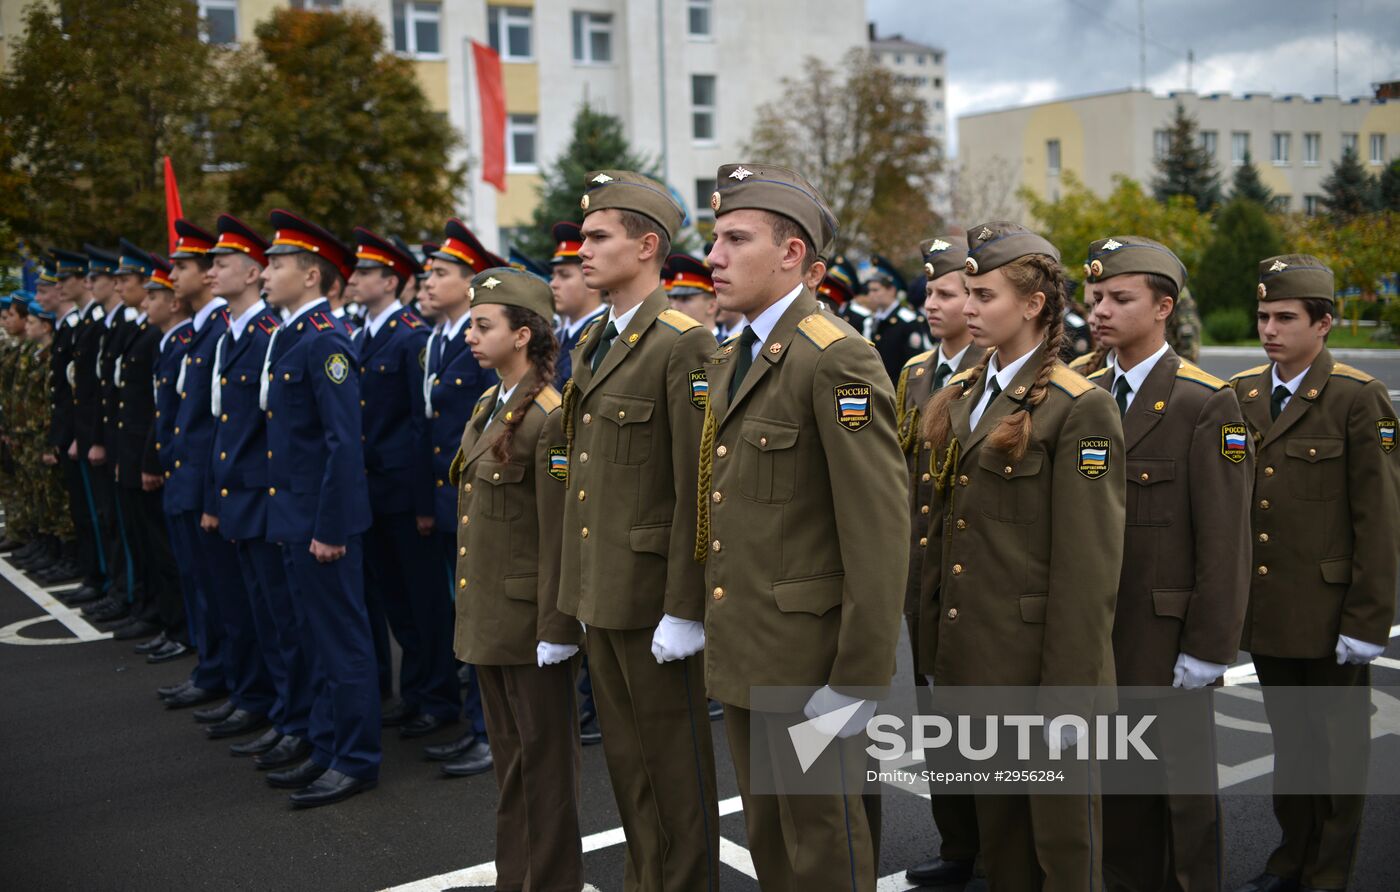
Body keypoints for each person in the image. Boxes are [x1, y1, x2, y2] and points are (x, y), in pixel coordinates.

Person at [697, 162, 908, 891]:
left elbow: (879, 534)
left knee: (823, 849)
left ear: (793, 255)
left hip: (810, 663)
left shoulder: (835, 357)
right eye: (714, 239)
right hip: (748, 644)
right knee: (770, 842)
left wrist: (857, 680)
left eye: (734, 239)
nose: (713, 258)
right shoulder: (733, 356)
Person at [918, 221, 1125, 890]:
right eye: (967, 295)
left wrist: (1068, 695)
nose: (969, 309)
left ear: (1033, 304)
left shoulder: (1079, 407)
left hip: (1039, 672)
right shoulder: (967, 393)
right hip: (976, 660)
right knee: (1002, 850)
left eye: (984, 296)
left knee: (1062, 852)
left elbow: (1088, 568)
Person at [558, 169, 720, 891]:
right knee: (627, 766)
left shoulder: (681, 343)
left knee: (675, 771)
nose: (581, 251)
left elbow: (699, 486)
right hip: (603, 587)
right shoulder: (595, 337)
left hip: (654, 596)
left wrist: (687, 604)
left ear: (647, 245)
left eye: (598, 237)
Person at [1083, 235, 1252, 892]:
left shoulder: (1204, 401)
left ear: (1162, 307)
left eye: (1119, 298)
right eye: (1095, 297)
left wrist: (1210, 648)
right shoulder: (1082, 390)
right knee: (1120, 789)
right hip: (1100, 631)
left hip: (1167, 636)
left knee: (1182, 795)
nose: (1100, 310)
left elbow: (1224, 537)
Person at [1229, 255, 1399, 892]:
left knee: (1337, 755)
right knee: (1292, 747)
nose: (1269, 329)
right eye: (1263, 316)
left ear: (1324, 324)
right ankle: (1288, 859)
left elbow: (1379, 519)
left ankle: (1326, 872)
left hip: (1331, 613)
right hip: (1270, 608)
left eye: (1285, 318)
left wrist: (1367, 620)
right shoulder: (1244, 392)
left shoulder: (1359, 397)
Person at [451, 266, 583, 891]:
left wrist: (558, 628)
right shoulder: (492, 403)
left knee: (544, 768)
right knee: (511, 766)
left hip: (532, 626)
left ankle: (550, 882)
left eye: (483, 326)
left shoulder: (550, 416)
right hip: (494, 620)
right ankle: (516, 880)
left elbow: (561, 531)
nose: (469, 336)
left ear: (523, 334)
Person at [257, 209, 380, 807]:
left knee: (342, 642)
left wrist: (330, 527)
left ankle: (355, 759)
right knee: (313, 639)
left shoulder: (326, 341)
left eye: (277, 263)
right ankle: (329, 748)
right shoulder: (293, 335)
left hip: (321, 526)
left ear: (310, 275)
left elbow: (341, 442)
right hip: (297, 518)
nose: (266, 271)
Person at [349, 226, 459, 741]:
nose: (354, 278)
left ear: (390, 281)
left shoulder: (411, 335)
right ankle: (417, 692)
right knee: (397, 601)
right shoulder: (367, 335)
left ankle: (437, 695)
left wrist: (421, 500)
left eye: (366, 271)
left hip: (405, 490)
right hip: (375, 490)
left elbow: (422, 426)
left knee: (425, 602)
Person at [900, 235, 983, 889]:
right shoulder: (915, 373)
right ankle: (959, 846)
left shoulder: (997, 371)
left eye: (946, 292)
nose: (932, 303)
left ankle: (1000, 851)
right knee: (940, 721)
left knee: (985, 718)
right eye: (929, 291)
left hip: (977, 575)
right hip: (922, 570)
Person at [418, 218, 504, 776]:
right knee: (465, 618)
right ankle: (477, 722)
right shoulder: (440, 338)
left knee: (484, 619)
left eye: (441, 272)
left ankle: (486, 728)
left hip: (479, 502)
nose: (427, 279)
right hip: (450, 499)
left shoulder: (481, 344)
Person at [131, 253, 193, 665]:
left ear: (173, 303)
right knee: (174, 559)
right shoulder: (171, 343)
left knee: (180, 562)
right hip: (174, 468)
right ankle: (179, 629)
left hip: (189, 474)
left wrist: (157, 459)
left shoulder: (186, 342)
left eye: (154, 295)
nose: (143, 303)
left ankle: (184, 632)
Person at [548, 221, 606, 390]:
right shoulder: (557, 337)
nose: (553, 284)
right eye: (553, 276)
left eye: (564, 275)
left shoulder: (605, 335)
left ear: (590, 281)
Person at [862, 254, 930, 381]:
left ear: (892, 290)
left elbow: (914, 366)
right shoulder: (869, 321)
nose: (871, 295)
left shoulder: (908, 321)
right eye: (869, 290)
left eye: (876, 290)